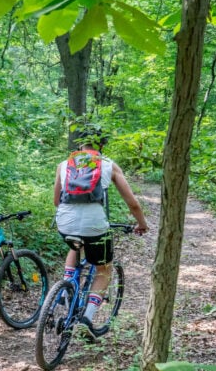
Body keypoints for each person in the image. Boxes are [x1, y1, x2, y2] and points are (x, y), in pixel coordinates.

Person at [53, 127, 149, 336]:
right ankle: (86, 319)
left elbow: (56, 201)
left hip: (65, 222)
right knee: (104, 268)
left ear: (80, 145)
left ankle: (67, 288)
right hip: (95, 225)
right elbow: (132, 203)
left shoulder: (64, 165)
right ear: (102, 146)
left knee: (75, 243)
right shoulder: (108, 165)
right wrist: (141, 223)